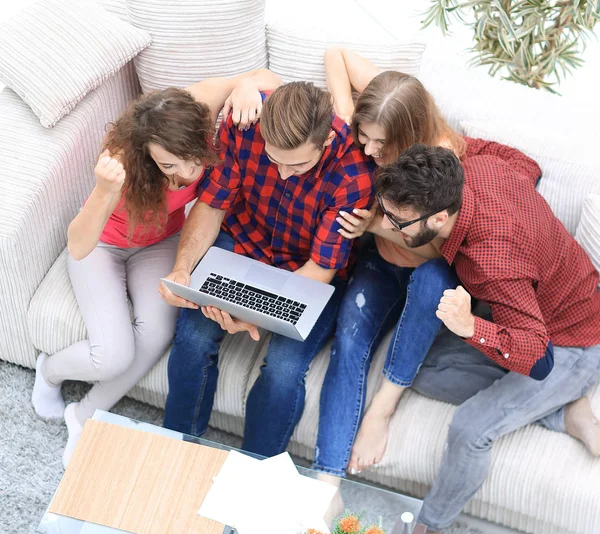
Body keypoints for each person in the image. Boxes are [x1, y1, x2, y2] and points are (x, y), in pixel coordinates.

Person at [31, 68, 282, 468]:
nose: (184, 175)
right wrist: (103, 190)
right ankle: (49, 371)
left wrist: (249, 86)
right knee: (112, 354)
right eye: (167, 167)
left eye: (189, 161)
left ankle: (84, 414)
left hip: (160, 242)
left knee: (158, 333)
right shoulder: (120, 161)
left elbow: (266, 77)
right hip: (105, 247)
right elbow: (78, 246)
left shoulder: (200, 105)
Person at [377, 143, 600, 534]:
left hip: (571, 342)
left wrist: (469, 328)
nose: (390, 225)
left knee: (470, 428)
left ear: (440, 217)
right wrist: (461, 145)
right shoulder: (475, 167)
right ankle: (561, 410)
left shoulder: (492, 262)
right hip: (526, 311)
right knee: (420, 370)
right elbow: (527, 164)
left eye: (399, 221)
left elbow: (536, 358)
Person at [160, 81, 376, 456]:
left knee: (284, 370)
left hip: (308, 270)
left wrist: (251, 314)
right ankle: (177, 451)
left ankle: (257, 468)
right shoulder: (244, 124)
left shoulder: (354, 174)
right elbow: (211, 206)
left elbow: (321, 268)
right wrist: (183, 269)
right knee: (193, 339)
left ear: (325, 142)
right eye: (274, 159)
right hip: (244, 239)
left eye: (297, 163)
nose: (284, 173)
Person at [313, 48, 464, 483]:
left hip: (427, 267)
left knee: (435, 280)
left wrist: (374, 226)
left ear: (410, 134)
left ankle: (382, 410)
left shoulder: (442, 163)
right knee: (349, 341)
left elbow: (439, 250)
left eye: (381, 143)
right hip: (380, 263)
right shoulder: (392, 102)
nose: (368, 149)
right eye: (366, 136)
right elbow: (336, 54)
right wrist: (346, 117)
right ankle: (327, 483)